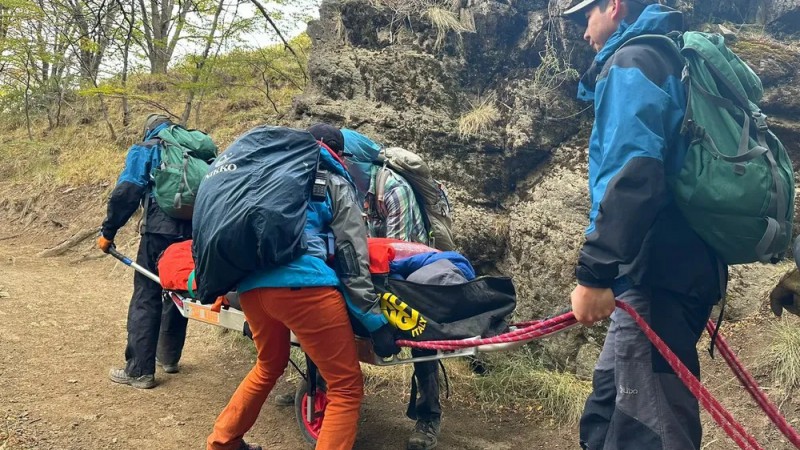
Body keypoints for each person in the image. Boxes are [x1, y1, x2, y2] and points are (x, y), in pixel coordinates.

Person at [562, 1, 726, 449]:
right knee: (607, 415)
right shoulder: (670, 59)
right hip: (677, 271)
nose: (583, 32)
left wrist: (594, 272)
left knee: (647, 431)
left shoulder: (632, 60)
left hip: (654, 274)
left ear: (613, 6)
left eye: (585, 17)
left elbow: (636, 173)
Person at [205, 124, 400, 450]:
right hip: (305, 289)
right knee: (345, 387)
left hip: (252, 290)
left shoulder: (265, 175)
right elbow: (352, 253)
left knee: (268, 365)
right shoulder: (333, 178)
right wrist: (374, 320)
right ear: (339, 153)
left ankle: (223, 442)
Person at [341, 128, 442, 450]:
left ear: (355, 161)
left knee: (421, 339)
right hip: (372, 271)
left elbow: (401, 249)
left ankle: (429, 416)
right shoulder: (349, 188)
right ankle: (318, 386)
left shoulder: (394, 189)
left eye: (340, 160)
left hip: (408, 274)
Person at [97, 114, 192, 389]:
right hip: (194, 233)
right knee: (177, 289)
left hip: (158, 233)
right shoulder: (197, 152)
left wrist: (108, 231)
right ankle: (169, 357)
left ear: (148, 130)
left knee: (146, 294)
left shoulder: (148, 148)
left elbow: (127, 192)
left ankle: (139, 370)